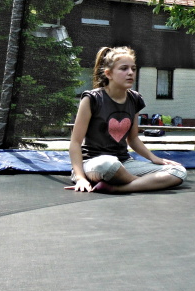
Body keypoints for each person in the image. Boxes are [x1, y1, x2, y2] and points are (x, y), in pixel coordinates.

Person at [67, 46, 187, 193]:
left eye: (133, 69)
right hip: (94, 163)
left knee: (178, 171)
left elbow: (133, 139)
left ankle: (116, 188)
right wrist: (80, 178)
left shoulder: (134, 99)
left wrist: (154, 158)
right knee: (108, 164)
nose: (130, 73)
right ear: (108, 74)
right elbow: (75, 142)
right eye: (124, 68)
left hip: (124, 163)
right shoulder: (92, 99)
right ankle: (142, 182)